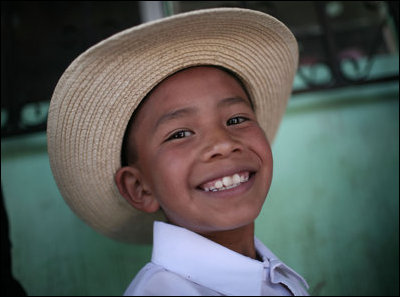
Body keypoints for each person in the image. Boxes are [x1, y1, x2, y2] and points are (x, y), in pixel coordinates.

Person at [47, 7, 309, 296]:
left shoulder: (273, 275)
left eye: (236, 119)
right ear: (139, 188)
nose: (223, 143)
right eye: (180, 134)